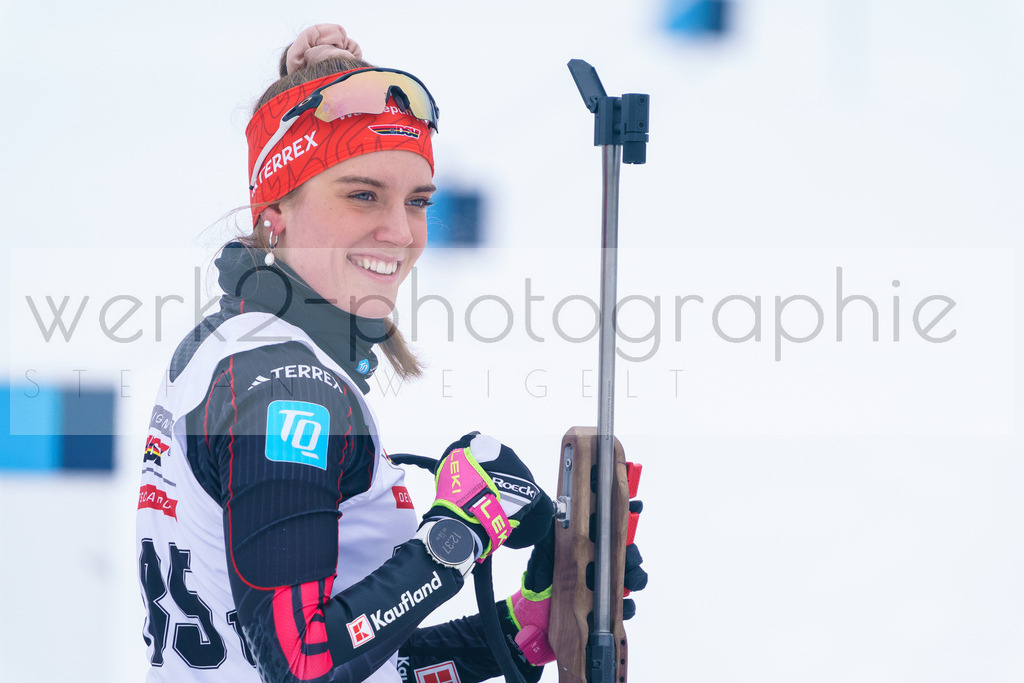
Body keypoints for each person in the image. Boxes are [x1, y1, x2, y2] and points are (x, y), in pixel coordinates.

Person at [136, 23, 644, 683]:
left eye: (417, 201)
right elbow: (305, 665)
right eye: (362, 194)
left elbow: (344, 662)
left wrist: (518, 637)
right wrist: (457, 534)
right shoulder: (285, 389)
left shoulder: (226, 345)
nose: (400, 232)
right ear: (275, 208)